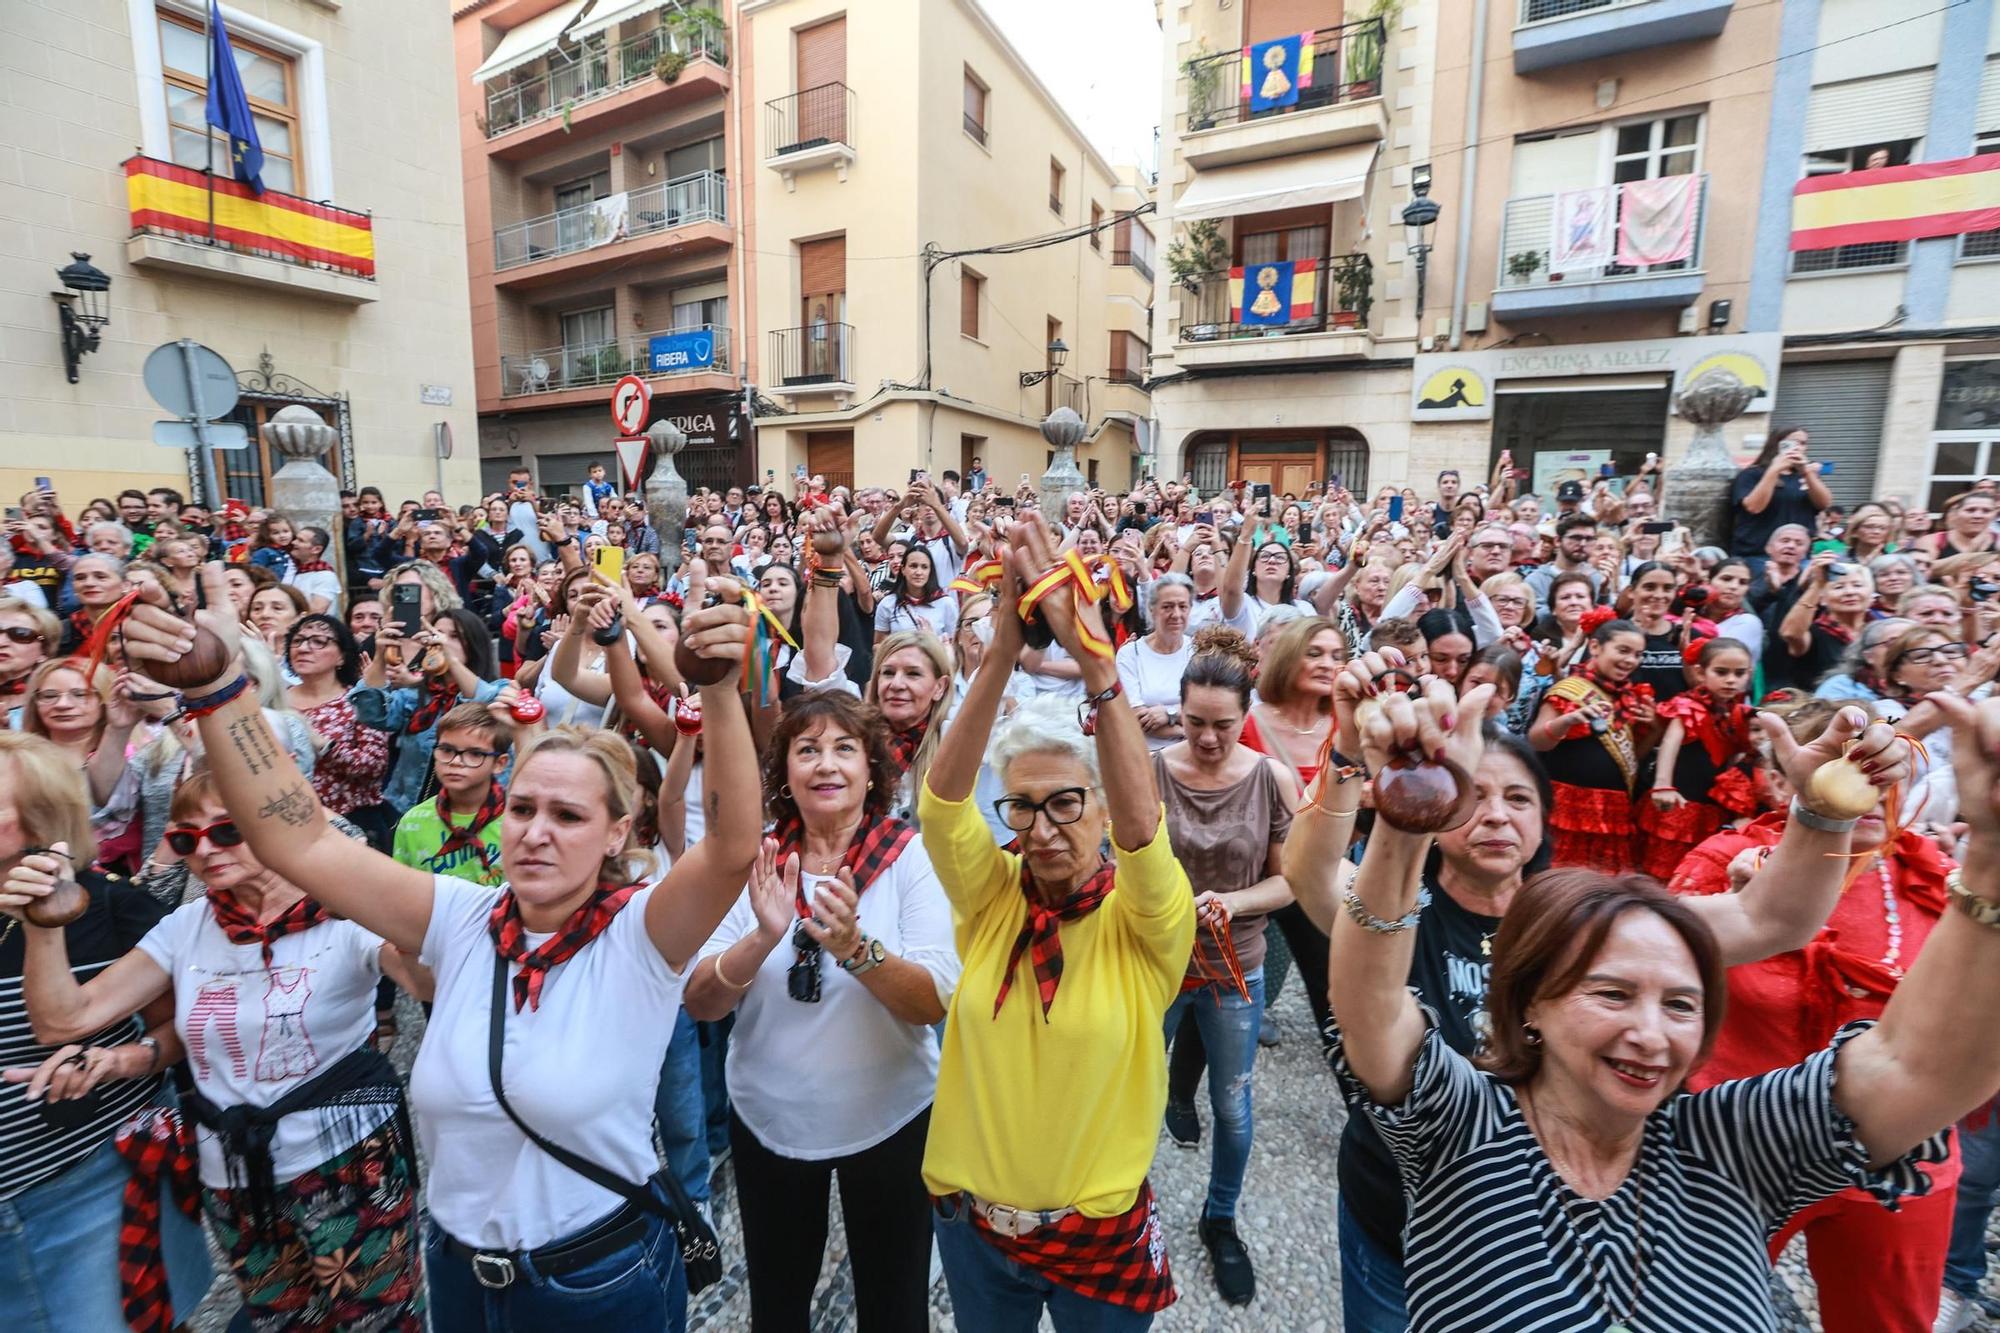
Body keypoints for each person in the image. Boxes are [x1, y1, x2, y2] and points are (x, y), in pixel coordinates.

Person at [114, 560, 764, 1330]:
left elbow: (728, 845)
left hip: (597, 1278)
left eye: (568, 815)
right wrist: (219, 689)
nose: (536, 831)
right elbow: (300, 839)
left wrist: (719, 692)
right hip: (456, 1272)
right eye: (522, 807)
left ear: (618, 831)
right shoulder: (461, 916)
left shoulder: (640, 931)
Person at [1287, 657, 1930, 1331]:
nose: (1496, 816)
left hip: (1572, 1215)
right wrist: (1354, 760)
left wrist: (1820, 816)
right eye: (1472, 795)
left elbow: (1774, 919)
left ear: (1545, 816)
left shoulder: (1598, 924)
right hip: (1395, 1205)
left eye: (1518, 799)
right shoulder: (1391, 904)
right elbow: (1308, 872)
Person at [11, 766, 428, 1330]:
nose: (205, 849)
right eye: (186, 839)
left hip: (347, 1163)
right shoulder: (186, 927)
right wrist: (42, 923)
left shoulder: (344, 910)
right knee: (282, 1321)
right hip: (232, 1172)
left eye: (226, 830)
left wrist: (372, 886)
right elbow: (64, 1020)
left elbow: (426, 984)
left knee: (375, 1322)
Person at [920, 513, 1194, 1329]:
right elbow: (940, 806)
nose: (1042, 830)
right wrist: (999, 649)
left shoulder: (1146, 919)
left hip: (1099, 1237)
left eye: (1067, 804)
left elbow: (1147, 835)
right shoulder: (993, 896)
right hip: (974, 1230)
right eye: (1024, 807)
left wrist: (1098, 661)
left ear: (1103, 807)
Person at [1672, 694, 1965, 1333]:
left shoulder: (1935, 876)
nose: (1866, 789)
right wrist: (1735, 913)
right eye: (1843, 769)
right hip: (1739, 1144)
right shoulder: (1726, 862)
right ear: (1785, 777)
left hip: (1894, 1153)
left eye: (1880, 771)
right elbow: (1660, 986)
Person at [684, 692, 958, 1330]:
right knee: (778, 1303)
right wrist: (759, 938)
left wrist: (855, 949)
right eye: (807, 749)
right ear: (786, 773)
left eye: (844, 748)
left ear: (872, 769)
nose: (826, 764)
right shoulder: (754, 863)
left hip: (890, 1118)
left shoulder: (909, 858)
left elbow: (930, 1002)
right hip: (771, 1118)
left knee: (894, 1305)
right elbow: (701, 1002)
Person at [0, 732, 213, 1332]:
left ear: (39, 817)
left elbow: (180, 1035)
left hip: (86, 1183)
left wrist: (113, 1059)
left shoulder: (115, 910)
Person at [1151, 632, 1296, 1305]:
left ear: (1246, 717)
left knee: (1233, 1107)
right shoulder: (1151, 772)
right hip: (1155, 964)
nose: (1208, 739)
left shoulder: (1268, 778)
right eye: (1195, 723)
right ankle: (1125, 1205)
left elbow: (1288, 882)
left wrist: (1229, 901)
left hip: (1238, 963)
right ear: (1178, 712)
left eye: (1223, 725)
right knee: (1133, 1090)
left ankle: (1220, 1217)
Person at [1529, 617, 1654, 872]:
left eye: (1637, 654)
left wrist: (1655, 729)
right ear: (1595, 647)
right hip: (1567, 805)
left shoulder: (1632, 697)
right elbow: (1537, 741)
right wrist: (1567, 721)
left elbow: (1634, 757)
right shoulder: (1569, 689)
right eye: (1622, 650)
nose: (1630, 660)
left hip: (1613, 809)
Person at [1637, 637, 1758, 879]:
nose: (1731, 680)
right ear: (1701, 673)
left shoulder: (1737, 714)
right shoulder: (1688, 705)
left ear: (1749, 674)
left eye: (1739, 673)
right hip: (1679, 802)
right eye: (1721, 672)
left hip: (1712, 808)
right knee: (1662, 872)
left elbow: (1734, 757)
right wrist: (1662, 784)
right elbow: (1670, 743)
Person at [284, 615, 391, 835]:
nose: (304, 648)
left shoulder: (360, 700)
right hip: (289, 824)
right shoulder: (274, 702)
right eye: (298, 640)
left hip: (352, 824)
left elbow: (374, 766)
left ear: (341, 656)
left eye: (318, 641)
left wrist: (322, 745)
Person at [391, 701, 511, 886]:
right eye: (447, 750)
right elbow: (402, 889)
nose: (456, 761)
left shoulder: (516, 821)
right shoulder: (413, 822)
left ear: (499, 764)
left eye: (475, 754)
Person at [1772, 556, 1875, 695]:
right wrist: (1818, 584)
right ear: (1822, 599)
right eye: (1839, 587)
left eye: (1857, 585)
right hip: (1821, 709)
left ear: (1871, 596)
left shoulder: (1878, 632)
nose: (1850, 592)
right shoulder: (1816, 632)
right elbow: (1790, 633)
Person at [1116, 574, 1194, 752]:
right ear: (1152, 609)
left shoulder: (1198, 651)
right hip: (1144, 754)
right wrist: (1185, 729)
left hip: (1190, 754)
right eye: (1167, 607)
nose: (1176, 614)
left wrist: (1169, 714)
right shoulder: (1130, 654)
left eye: (1183, 606)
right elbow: (1136, 718)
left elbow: (1205, 710)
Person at [1733, 425, 1832, 564]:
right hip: (1757, 553)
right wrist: (1775, 469)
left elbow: (1824, 504)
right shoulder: (1752, 474)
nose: (1798, 448)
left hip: (1798, 557)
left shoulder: (1806, 476)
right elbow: (1754, 507)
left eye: (1803, 443)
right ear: (1777, 445)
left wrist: (1807, 472)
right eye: (1792, 442)